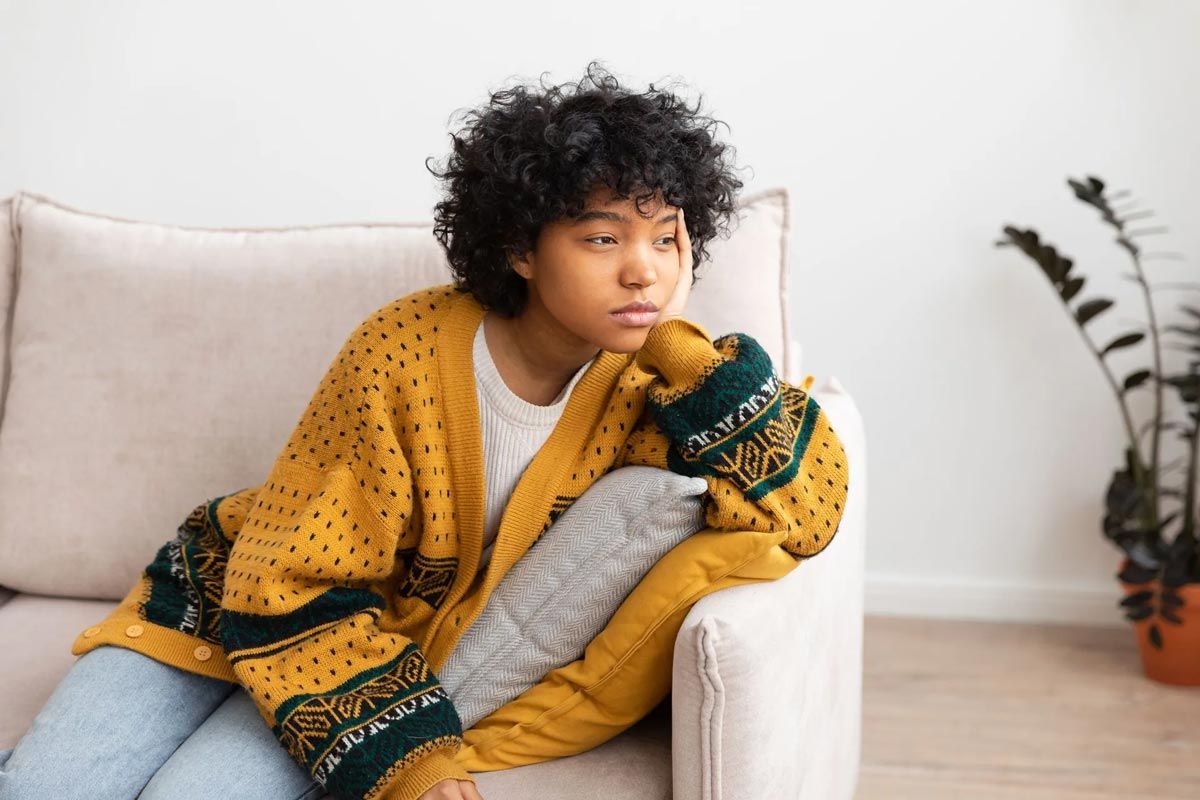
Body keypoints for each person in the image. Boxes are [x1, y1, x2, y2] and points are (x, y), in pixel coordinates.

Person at [0, 60, 849, 800]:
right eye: (603, 237)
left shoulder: (657, 382)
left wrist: (683, 352)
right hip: (237, 601)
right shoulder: (401, 353)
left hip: (365, 657)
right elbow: (291, 582)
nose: (646, 270)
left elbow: (808, 509)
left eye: (668, 239)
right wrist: (408, 763)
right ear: (520, 246)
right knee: (48, 789)